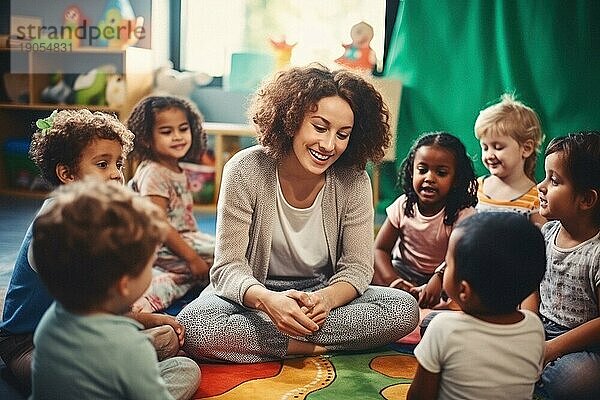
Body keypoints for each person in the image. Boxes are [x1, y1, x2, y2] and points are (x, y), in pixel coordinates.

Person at [177, 64, 419, 363]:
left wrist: (325, 300)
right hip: (254, 296)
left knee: (403, 309)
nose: (329, 145)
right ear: (290, 120)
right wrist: (268, 301)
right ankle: (312, 346)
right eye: (320, 128)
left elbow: (357, 268)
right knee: (196, 326)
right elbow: (228, 268)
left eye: (343, 134)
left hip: (323, 296)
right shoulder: (243, 170)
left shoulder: (354, 180)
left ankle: (279, 343)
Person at [0, 109, 186, 395]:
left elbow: (102, 306)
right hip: (28, 343)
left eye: (119, 164)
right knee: (178, 369)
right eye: (102, 164)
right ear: (67, 174)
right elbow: (91, 304)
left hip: (79, 329)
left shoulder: (96, 217)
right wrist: (139, 324)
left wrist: (149, 321)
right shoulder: (56, 226)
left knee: (165, 339)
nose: (115, 174)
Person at [30, 179, 200, 400]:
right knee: (186, 368)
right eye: (150, 265)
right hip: (125, 364)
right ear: (124, 284)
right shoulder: (129, 346)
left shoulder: (51, 319)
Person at [408, 212, 547, 400]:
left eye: (447, 264)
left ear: (464, 290)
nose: (444, 270)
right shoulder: (534, 327)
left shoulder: (443, 329)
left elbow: (420, 396)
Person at [522, 131, 600, 400]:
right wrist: (529, 329)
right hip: (541, 326)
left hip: (583, 345)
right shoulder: (546, 233)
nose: (541, 186)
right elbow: (531, 287)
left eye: (554, 180)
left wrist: (550, 349)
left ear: (586, 200)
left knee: (576, 380)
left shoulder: (596, 252)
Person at [127, 96, 215, 312]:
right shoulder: (154, 173)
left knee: (226, 249)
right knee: (227, 256)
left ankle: (179, 278)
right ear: (146, 138)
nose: (178, 137)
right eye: (167, 132)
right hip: (163, 247)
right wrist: (192, 258)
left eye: (183, 129)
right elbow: (160, 225)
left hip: (182, 240)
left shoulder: (175, 167)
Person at [372, 132, 478, 309]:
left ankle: (436, 306)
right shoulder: (404, 204)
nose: (429, 178)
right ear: (411, 171)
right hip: (404, 271)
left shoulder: (463, 214)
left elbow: (462, 257)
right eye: (422, 170)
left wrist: (439, 278)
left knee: (472, 281)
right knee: (368, 269)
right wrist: (394, 281)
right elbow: (380, 249)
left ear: (457, 179)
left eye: (441, 173)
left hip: (447, 274)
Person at [474, 93, 546, 226]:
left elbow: (538, 243)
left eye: (498, 147)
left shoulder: (537, 199)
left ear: (526, 148)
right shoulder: (476, 188)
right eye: (485, 147)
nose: (489, 155)